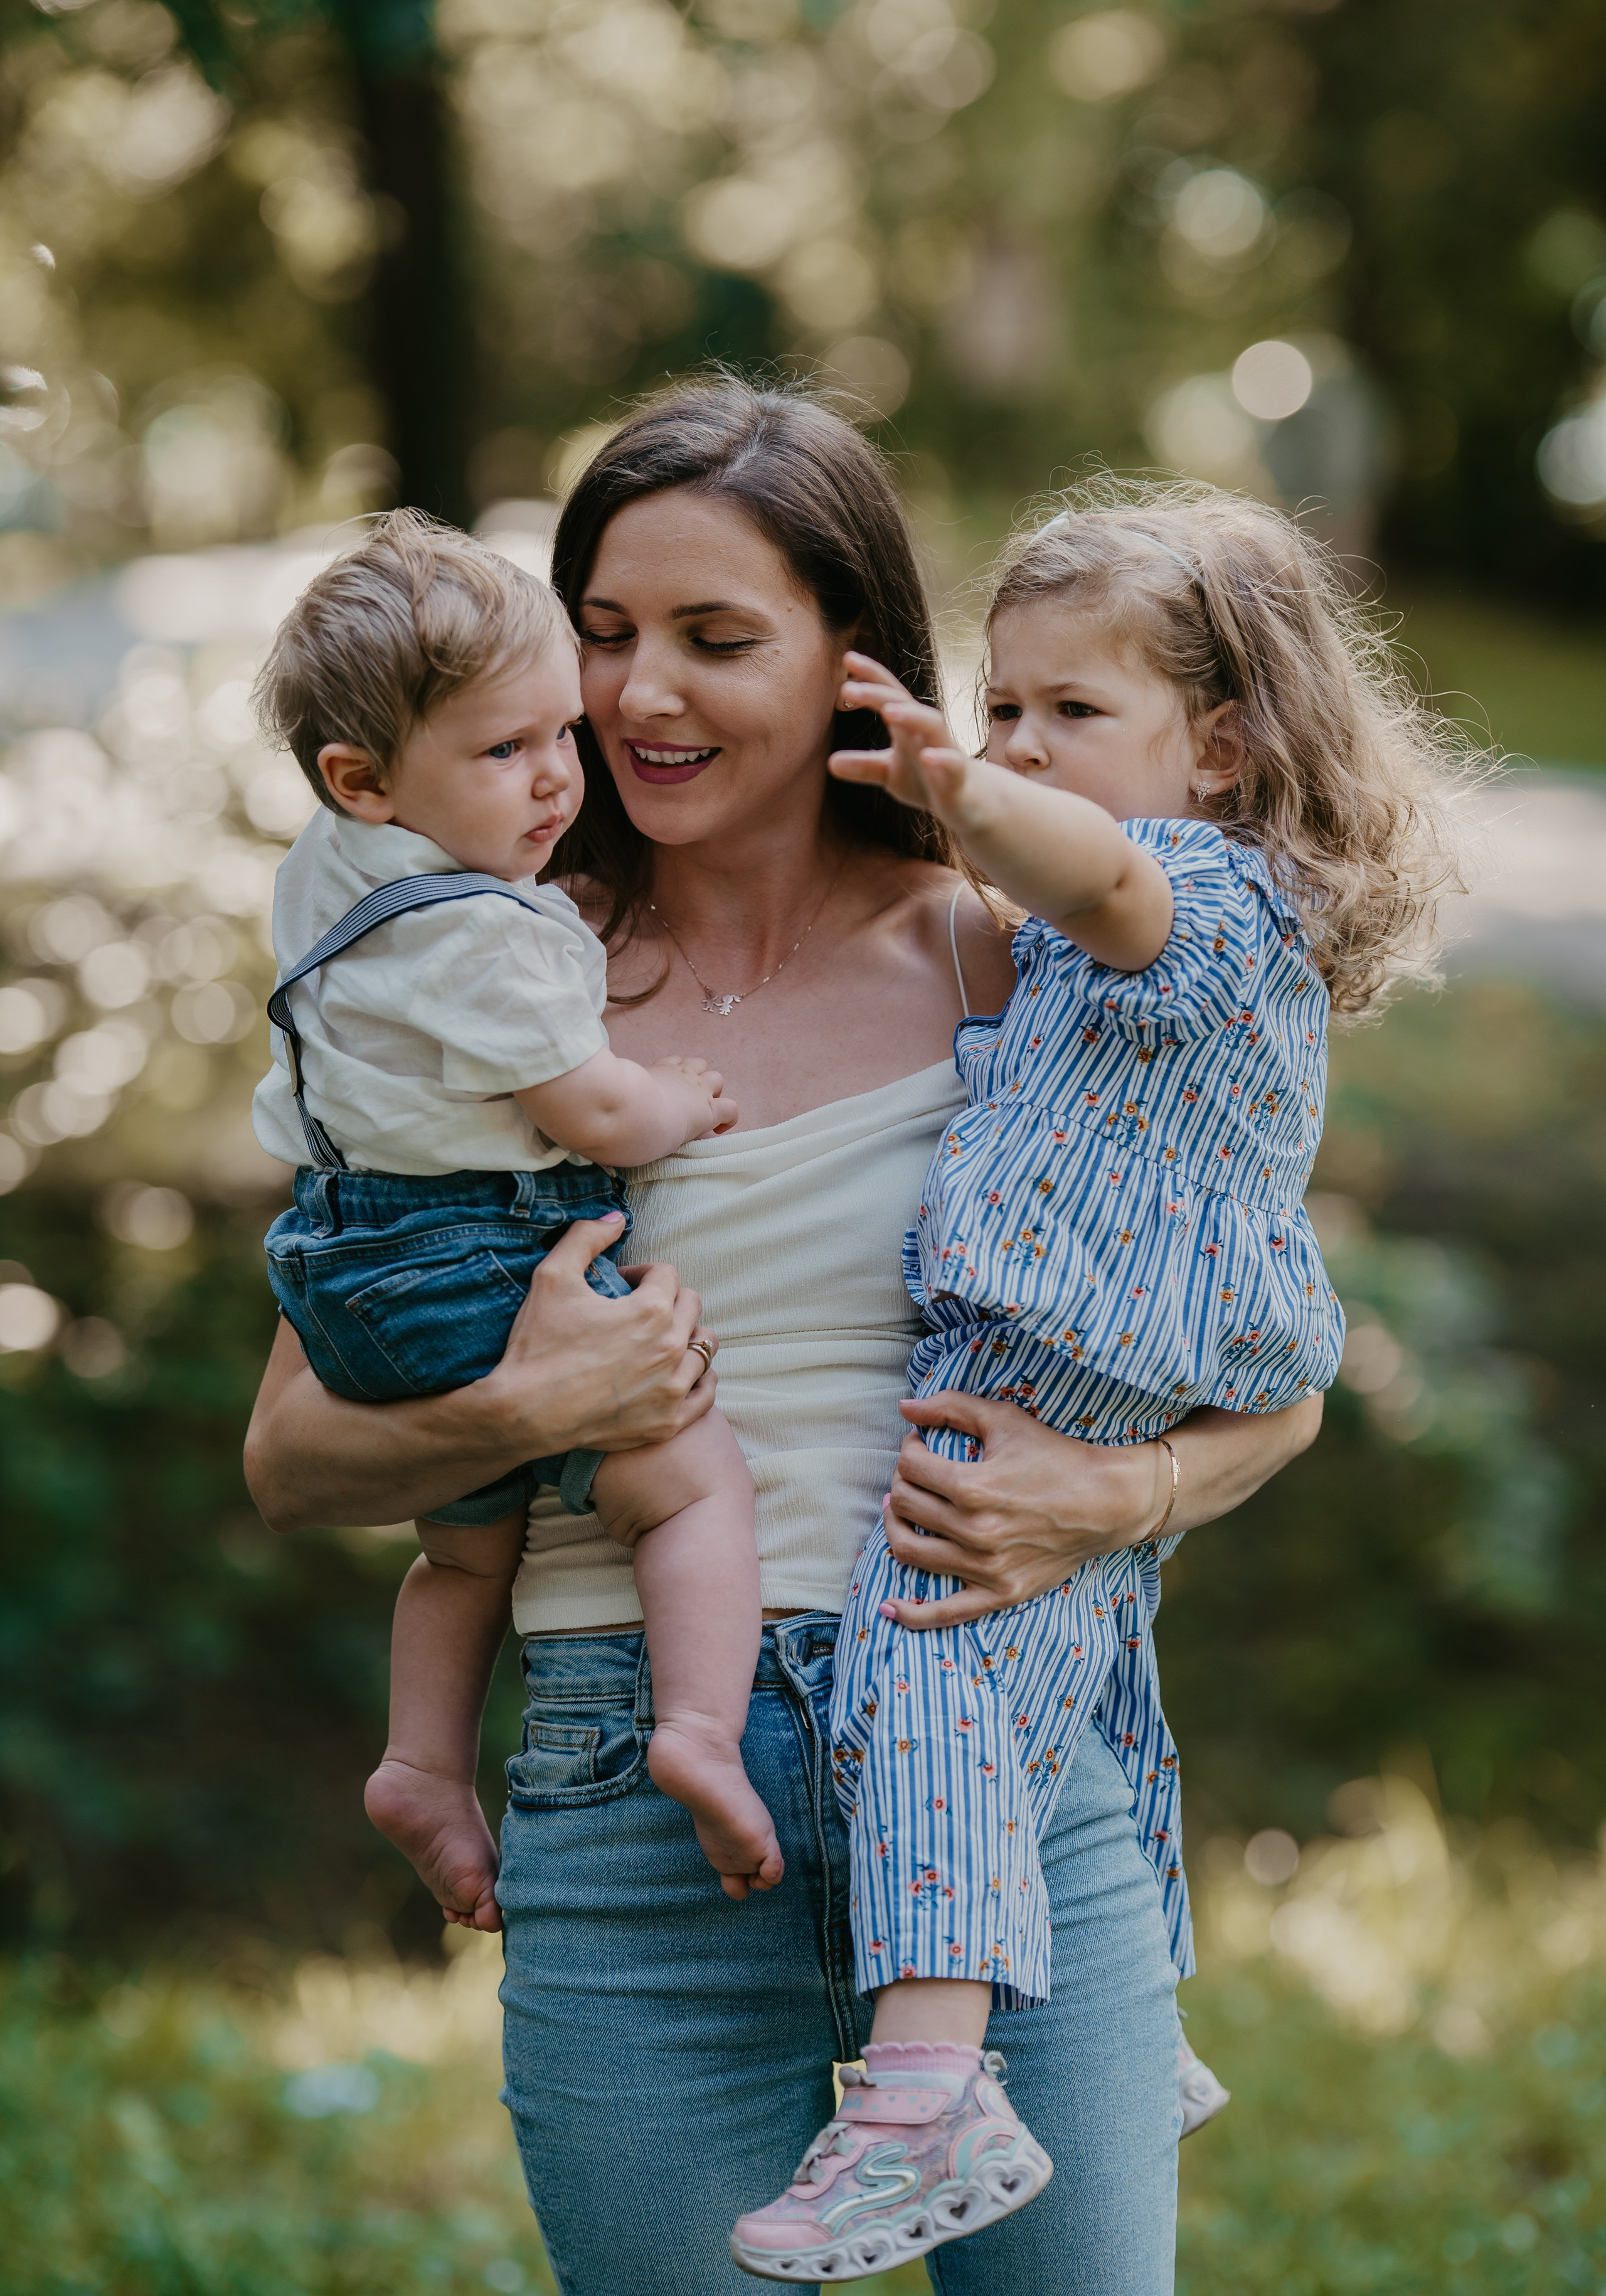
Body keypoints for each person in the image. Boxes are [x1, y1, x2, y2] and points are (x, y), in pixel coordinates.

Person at [244, 380, 1324, 2296]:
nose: (641, 692)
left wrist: (1119, 1490)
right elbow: (294, 1456)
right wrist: (532, 1400)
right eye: (603, 633)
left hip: (999, 1756)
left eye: (715, 640)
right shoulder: (490, 985)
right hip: (635, 1786)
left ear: (855, 662)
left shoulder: (1016, 952)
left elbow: (1277, 1370)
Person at [731, 479, 1472, 2281]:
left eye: (1076, 710)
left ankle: (924, 2093)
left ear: (1219, 749)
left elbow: (1105, 874)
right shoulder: (1077, 929)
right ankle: (1132, 2032)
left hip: (1070, 1361)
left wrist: (954, 789)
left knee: (932, 1684)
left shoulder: (1210, 901)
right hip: (1047, 1357)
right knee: (1067, 1684)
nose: (1024, 741)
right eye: (1006, 703)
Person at [250, 510, 782, 1921]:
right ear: (358, 778)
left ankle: (423, 1760)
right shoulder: (486, 931)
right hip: (476, 1254)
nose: (556, 777)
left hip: (349, 1264)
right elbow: (591, 1114)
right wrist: (675, 1097)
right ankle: (699, 1730)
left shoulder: (332, 873)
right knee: (688, 1480)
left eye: (559, 733)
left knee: (459, 1550)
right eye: (504, 752)